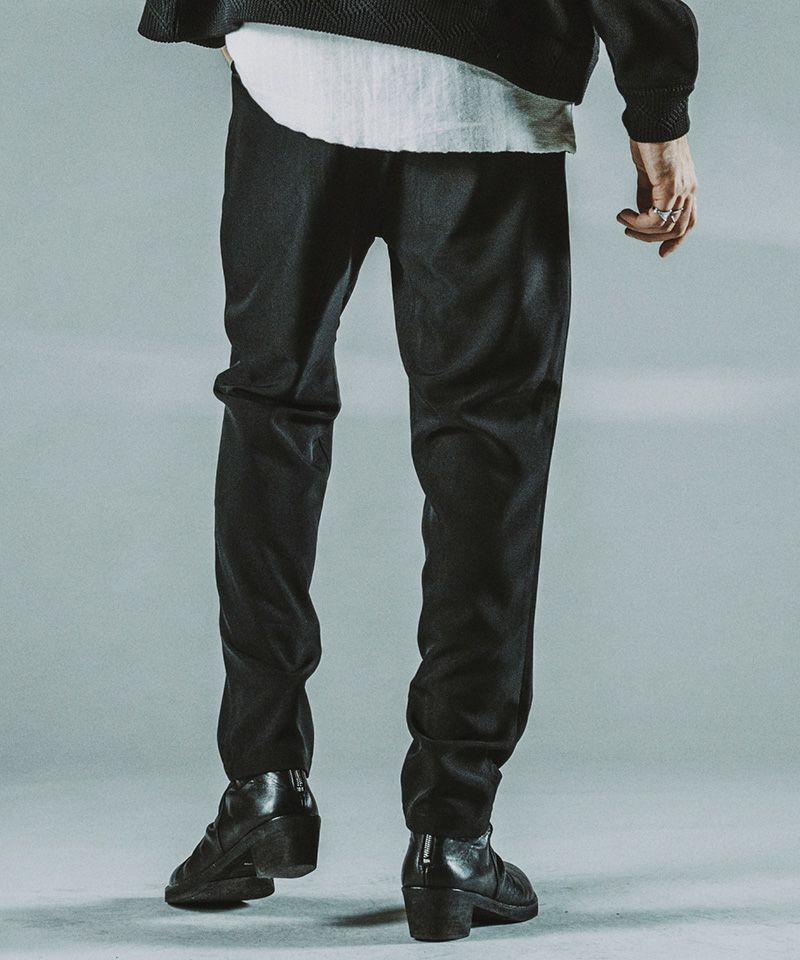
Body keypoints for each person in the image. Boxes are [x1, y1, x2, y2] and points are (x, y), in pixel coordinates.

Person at [137, 0, 699, 942]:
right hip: (481, 75)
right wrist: (658, 99)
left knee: (272, 410)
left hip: (293, 54)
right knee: (485, 436)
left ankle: (262, 788)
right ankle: (452, 832)